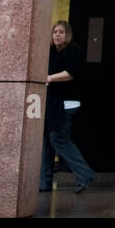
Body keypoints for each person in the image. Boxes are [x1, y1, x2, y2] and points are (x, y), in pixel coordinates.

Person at [40, 20, 95, 194]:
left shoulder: (72, 50)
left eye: (61, 32)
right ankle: (44, 182)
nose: (57, 35)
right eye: (55, 32)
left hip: (66, 103)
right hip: (52, 103)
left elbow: (70, 74)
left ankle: (85, 174)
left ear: (67, 35)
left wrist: (49, 78)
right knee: (47, 140)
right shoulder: (51, 52)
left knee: (58, 139)